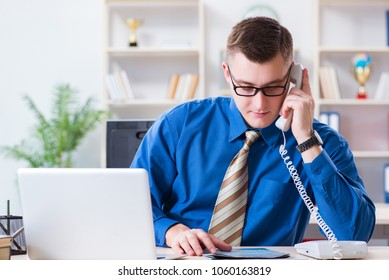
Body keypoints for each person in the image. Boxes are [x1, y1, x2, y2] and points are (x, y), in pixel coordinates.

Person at [131, 16, 375, 256]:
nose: (260, 104)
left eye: (273, 87)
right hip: (185, 267)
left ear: (294, 78)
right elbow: (130, 204)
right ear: (227, 73)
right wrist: (172, 231)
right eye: (246, 87)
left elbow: (354, 236)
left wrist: (306, 140)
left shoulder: (323, 143)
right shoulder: (179, 125)